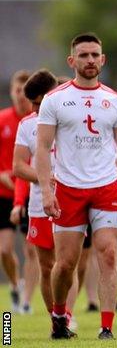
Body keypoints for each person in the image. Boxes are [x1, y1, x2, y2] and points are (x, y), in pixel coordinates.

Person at [36, 33, 117, 340]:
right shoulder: (55, 100)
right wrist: (46, 189)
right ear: (72, 61)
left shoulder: (115, 101)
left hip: (106, 187)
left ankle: (106, 328)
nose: (90, 60)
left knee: (108, 253)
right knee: (66, 264)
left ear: (103, 59)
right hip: (68, 189)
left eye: (95, 55)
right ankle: (59, 314)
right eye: (83, 55)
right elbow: (42, 147)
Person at [11, 69, 84, 328]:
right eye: (31, 103)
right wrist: (45, 177)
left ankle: (68, 316)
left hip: (71, 202)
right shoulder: (27, 125)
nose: (33, 109)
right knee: (46, 265)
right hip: (40, 204)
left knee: (66, 265)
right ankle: (56, 319)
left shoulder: (74, 120)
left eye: (38, 103)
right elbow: (18, 167)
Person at [0, 70, 33, 312]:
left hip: (31, 194)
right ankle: (14, 284)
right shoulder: (2, 120)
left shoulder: (36, 122)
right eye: (17, 90)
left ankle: (27, 302)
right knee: (5, 249)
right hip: (4, 195)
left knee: (32, 249)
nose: (21, 95)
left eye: (25, 91)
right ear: (12, 92)